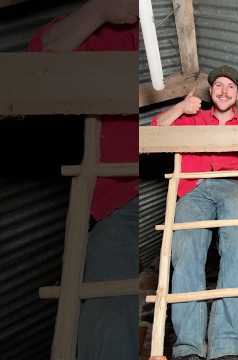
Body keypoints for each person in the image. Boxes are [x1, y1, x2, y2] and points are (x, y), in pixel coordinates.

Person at [28, 1, 139, 360]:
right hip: (122, 197)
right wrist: (100, 10)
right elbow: (36, 66)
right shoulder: (106, 25)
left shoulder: (182, 21)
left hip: (174, 187)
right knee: (104, 307)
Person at [152, 65, 238, 360]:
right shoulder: (192, 119)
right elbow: (156, 131)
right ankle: (189, 347)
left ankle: (226, 346)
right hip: (193, 188)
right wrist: (180, 106)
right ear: (210, 91)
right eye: (218, 85)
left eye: (230, 87)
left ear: (237, 94)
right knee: (186, 254)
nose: (224, 91)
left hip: (231, 184)